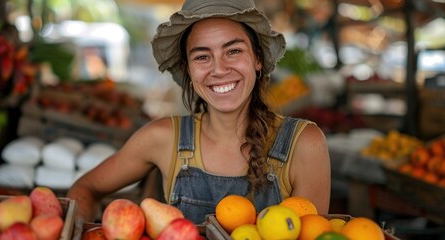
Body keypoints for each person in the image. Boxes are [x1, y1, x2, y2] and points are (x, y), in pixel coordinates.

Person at [67, 0, 331, 224]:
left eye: (234, 51)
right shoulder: (163, 138)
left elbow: (312, 233)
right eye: (202, 56)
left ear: (257, 59)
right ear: (190, 70)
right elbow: (86, 188)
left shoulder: (304, 145)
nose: (218, 69)